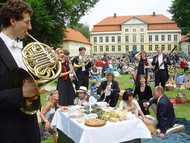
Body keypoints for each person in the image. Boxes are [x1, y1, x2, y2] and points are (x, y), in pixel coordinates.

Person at [0, 1, 41, 142]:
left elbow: (31, 78)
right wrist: (21, 93)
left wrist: (54, 63)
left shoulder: (20, 49)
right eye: (27, 22)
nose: (30, 27)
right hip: (9, 130)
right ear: (13, 21)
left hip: (30, 125)